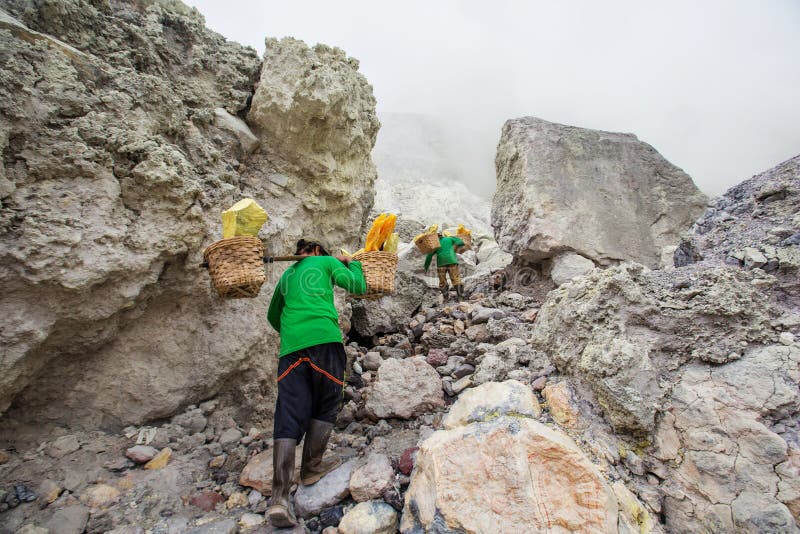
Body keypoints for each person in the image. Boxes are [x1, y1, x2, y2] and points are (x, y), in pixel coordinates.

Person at [265, 238, 366, 527]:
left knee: (289, 409)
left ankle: (279, 498)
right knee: (327, 401)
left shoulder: (287, 275)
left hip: (292, 348)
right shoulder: (325, 262)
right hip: (324, 340)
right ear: (319, 251)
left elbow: (273, 315)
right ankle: (311, 467)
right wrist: (353, 264)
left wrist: (294, 333)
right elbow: (358, 286)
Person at [424, 232, 465, 301]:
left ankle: (446, 298)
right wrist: (453, 242)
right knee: (455, 278)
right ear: (441, 235)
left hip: (441, 263)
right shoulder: (449, 238)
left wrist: (426, 267)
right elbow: (461, 242)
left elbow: (429, 256)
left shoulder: (435, 244)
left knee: (442, 281)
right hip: (452, 261)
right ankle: (460, 297)